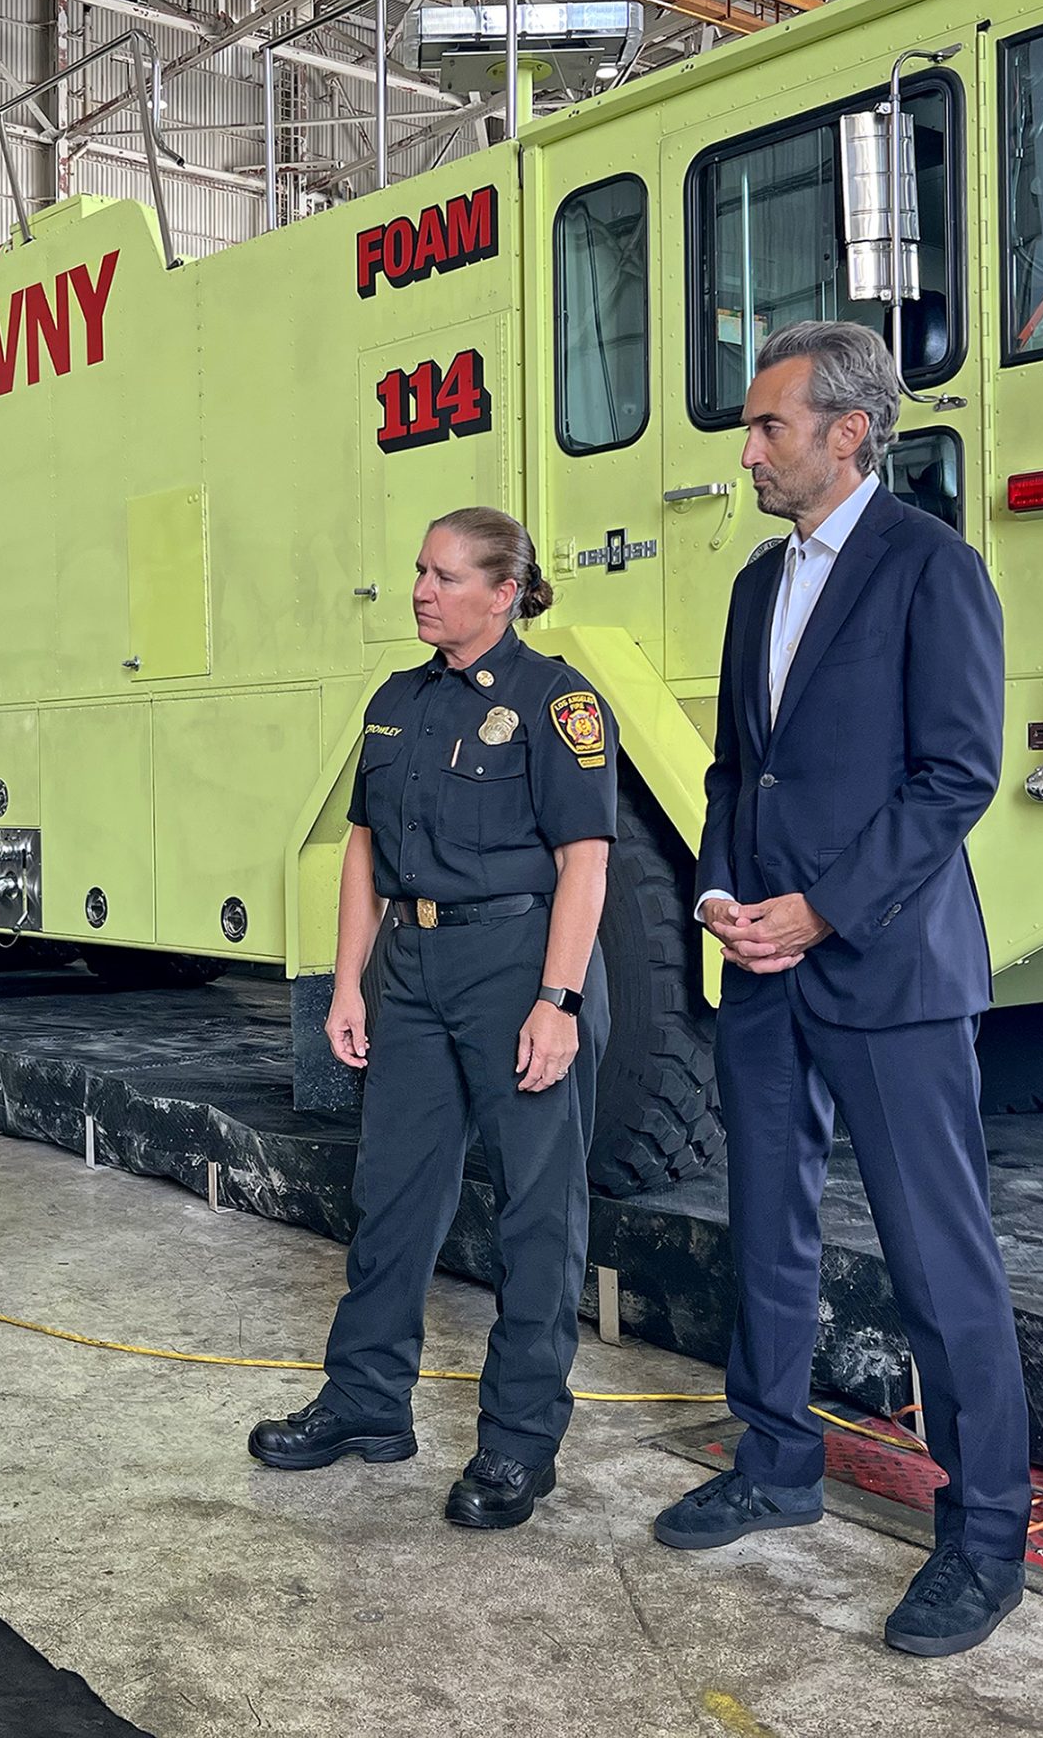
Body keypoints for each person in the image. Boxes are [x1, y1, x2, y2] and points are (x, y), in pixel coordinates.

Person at [650, 320, 1029, 1657]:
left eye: (768, 427)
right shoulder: (761, 584)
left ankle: (984, 1545)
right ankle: (775, 1462)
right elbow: (733, 773)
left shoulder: (933, 570)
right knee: (768, 1227)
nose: (746, 449)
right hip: (760, 965)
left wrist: (819, 912)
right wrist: (716, 894)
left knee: (940, 1267)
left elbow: (955, 777)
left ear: (848, 433)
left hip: (888, 970)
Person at [248, 508, 615, 1530]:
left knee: (536, 1210)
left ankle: (518, 1443)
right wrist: (350, 983)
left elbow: (584, 862)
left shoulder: (556, 702)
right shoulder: (395, 702)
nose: (420, 590)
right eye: (418, 570)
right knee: (392, 1190)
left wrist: (558, 999)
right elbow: (363, 850)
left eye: (446, 576)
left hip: (515, 963)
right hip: (408, 964)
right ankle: (366, 1403)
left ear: (503, 593)